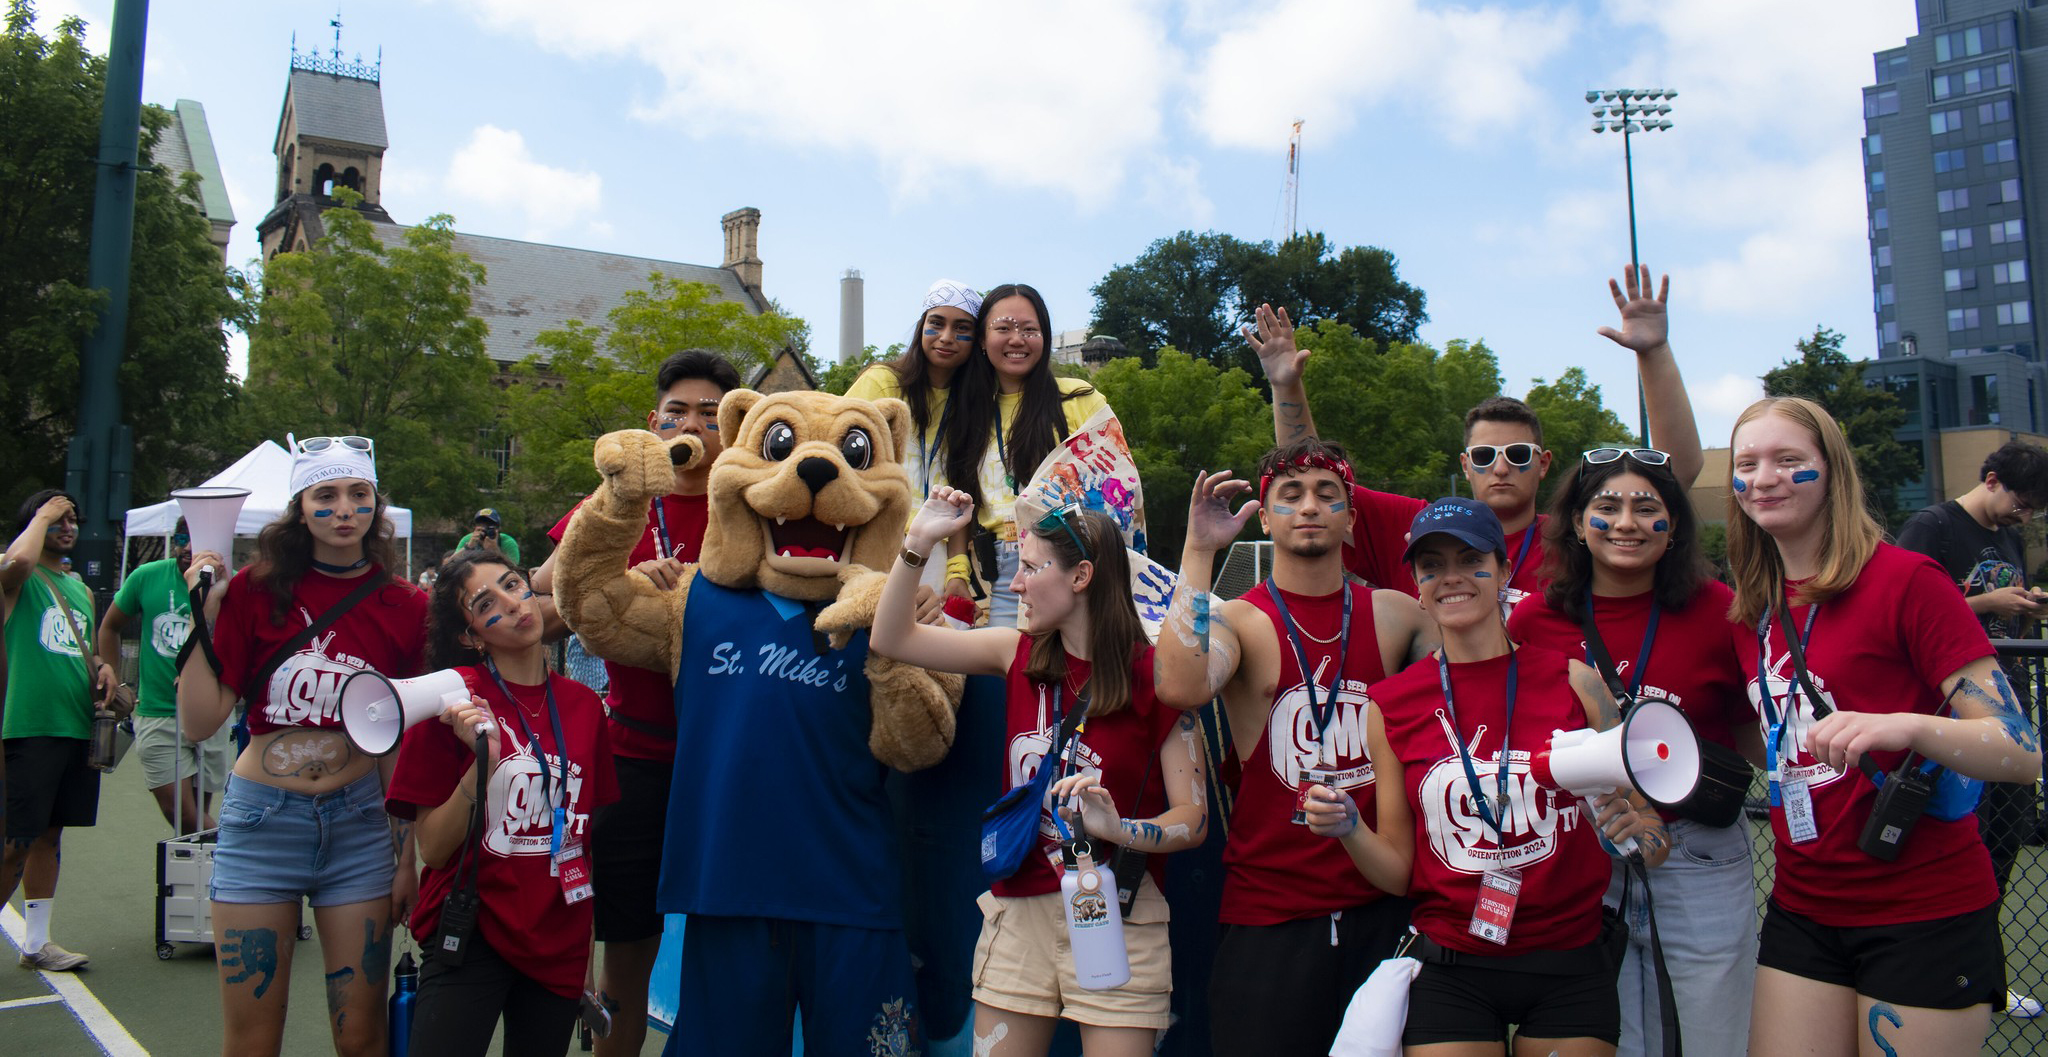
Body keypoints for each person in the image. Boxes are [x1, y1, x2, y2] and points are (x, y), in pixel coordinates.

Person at [1726, 397, 2042, 1053]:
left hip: (1923, 908)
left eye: (1788, 460)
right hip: (1802, 905)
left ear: (1831, 471)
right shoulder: (1751, 607)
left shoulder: (1907, 580)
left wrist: (1906, 726)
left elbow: (2019, 750)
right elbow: (1777, 741)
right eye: (1747, 463)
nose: (1764, 478)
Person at [1304, 497, 1667, 1055]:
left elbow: (1652, 834)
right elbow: (1399, 874)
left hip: (1570, 960)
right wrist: (1350, 829)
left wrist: (1636, 835)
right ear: (1416, 585)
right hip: (1453, 961)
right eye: (1432, 566)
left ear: (1502, 571)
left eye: (1470, 560)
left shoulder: (1576, 683)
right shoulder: (1389, 705)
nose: (1451, 577)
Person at [871, 490, 1203, 1056]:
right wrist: (918, 541)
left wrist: (1121, 829)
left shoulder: (1157, 677)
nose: (1017, 585)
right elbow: (891, 638)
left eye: (1030, 568)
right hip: (1018, 911)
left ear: (1081, 576)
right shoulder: (1016, 652)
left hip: (1120, 912)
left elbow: (1193, 819)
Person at [1151, 442, 1435, 1057]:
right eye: (1290, 495)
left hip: (1381, 907)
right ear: (1265, 517)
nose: (1309, 507)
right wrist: (1199, 550)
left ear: (1351, 519)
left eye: (1327, 495)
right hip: (1270, 915)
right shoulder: (1239, 621)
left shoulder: (1399, 616)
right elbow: (1178, 685)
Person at [177, 434, 426, 1056]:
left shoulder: (407, 606)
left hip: (360, 828)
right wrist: (205, 613)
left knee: (360, 1037)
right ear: (300, 508)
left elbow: (400, 745)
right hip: (261, 824)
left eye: (358, 494)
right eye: (326, 495)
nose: (344, 509)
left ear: (376, 505)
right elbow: (200, 722)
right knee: (252, 1041)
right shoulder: (254, 592)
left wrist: (406, 857)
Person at [1509, 448, 1759, 1055]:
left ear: (1673, 526)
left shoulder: (1720, 610)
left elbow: (1753, 727)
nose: (1626, 523)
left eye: (1647, 508)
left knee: (1712, 1037)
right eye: (1607, 506)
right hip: (1587, 857)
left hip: (1698, 852)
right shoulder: (1535, 619)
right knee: (1613, 1037)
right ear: (1576, 523)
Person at [1249, 267, 1703, 599]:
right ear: (1465, 465)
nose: (1501, 468)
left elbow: (1672, 475)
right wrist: (1286, 385)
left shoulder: (1576, 537)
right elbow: (1309, 472)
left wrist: (1654, 353)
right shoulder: (1420, 526)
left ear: (1544, 463)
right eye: (1485, 456)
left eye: (1518, 454)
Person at [530, 346, 737, 1057]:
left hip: (731, 759)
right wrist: (620, 581)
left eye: (711, 414)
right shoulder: (619, 499)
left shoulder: (756, 501)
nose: (693, 426)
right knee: (626, 953)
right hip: (635, 757)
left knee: (735, 950)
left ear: (735, 426)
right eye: (677, 412)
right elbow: (541, 608)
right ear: (654, 422)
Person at [387, 549, 618, 1056]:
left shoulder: (584, 707)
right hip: (473, 931)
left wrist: (583, 957)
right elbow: (434, 849)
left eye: (512, 585)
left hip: (558, 939)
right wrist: (482, 764)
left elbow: (581, 843)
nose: (513, 604)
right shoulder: (450, 703)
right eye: (486, 603)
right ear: (471, 636)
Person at [1894, 440, 2048, 1020]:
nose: (2024, 517)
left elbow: (2001, 610)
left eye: (2034, 510)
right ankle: (1952, 975)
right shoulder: (1932, 527)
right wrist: (1988, 603)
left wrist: (2025, 606)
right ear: (1990, 480)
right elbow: (1898, 607)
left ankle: (1986, 977)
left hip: (2006, 702)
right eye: (2021, 503)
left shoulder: (2008, 536)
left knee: (2007, 835)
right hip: (1952, 713)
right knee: (1965, 842)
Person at [941, 283, 1115, 627]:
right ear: (981, 339)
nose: (1017, 339)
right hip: (1006, 575)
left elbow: (1119, 492)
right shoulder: (967, 415)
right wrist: (956, 573)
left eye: (1030, 330)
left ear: (1045, 337)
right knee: (1006, 661)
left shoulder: (1079, 400)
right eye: (1003, 328)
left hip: (1080, 567)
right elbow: (959, 502)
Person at [1, 489, 118, 972]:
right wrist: (42, 513)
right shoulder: (16, 576)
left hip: (75, 727)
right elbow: (17, 563)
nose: (68, 527)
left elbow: (83, 648)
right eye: (57, 519)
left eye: (72, 519)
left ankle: (36, 944)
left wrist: (103, 666)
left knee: (49, 837)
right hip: (29, 725)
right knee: (15, 840)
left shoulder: (80, 590)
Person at [847, 278, 982, 606]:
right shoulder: (882, 383)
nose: (946, 337)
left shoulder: (974, 403)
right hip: (871, 537)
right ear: (922, 326)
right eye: (937, 323)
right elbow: (840, 452)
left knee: (927, 636)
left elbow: (963, 491)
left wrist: (958, 571)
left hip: (934, 548)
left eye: (962, 328)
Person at [95, 517, 233, 834]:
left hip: (210, 714)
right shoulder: (147, 576)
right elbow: (110, 627)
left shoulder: (232, 584)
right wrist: (113, 673)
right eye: (182, 538)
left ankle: (202, 866)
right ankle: (235, 855)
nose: (187, 547)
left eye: (197, 540)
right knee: (181, 813)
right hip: (157, 712)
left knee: (195, 817)